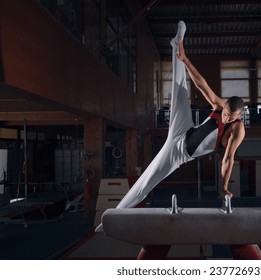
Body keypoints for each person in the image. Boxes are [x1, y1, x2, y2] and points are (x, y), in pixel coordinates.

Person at [96, 21, 245, 232]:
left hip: (179, 152)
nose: (226, 117)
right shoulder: (222, 106)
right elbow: (202, 86)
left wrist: (223, 188)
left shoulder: (237, 130)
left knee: (146, 181)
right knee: (180, 91)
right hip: (183, 129)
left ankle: (110, 219)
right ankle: (177, 46)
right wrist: (186, 60)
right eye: (226, 113)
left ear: (240, 116)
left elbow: (228, 158)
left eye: (231, 116)